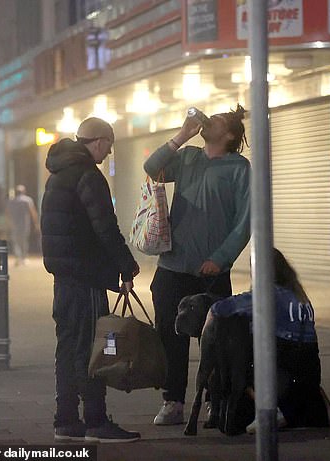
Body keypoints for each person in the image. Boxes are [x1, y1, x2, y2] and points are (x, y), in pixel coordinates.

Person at [144, 104, 251, 425]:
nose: (207, 121)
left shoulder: (239, 169)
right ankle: (173, 400)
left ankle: (214, 400)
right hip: (173, 265)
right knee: (169, 334)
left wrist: (220, 258)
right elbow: (152, 167)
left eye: (216, 121)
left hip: (211, 272)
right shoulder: (188, 157)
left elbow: (245, 221)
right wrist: (182, 134)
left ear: (230, 134)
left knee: (216, 340)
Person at [41, 117, 141, 443]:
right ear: (97, 141)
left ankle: (66, 420)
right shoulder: (88, 175)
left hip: (64, 278)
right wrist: (126, 266)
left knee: (68, 348)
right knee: (94, 349)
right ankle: (96, 421)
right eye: (109, 146)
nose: (109, 153)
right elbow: (105, 228)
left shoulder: (57, 175)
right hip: (86, 279)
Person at [209, 248, 330, 432]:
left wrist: (209, 317)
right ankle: (315, 403)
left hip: (284, 368)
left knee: (242, 363)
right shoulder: (300, 296)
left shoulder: (269, 294)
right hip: (308, 372)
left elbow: (223, 307)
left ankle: (270, 412)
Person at [5, 184, 39, 266]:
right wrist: (36, 223)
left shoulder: (11, 202)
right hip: (25, 224)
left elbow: (7, 213)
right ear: (24, 192)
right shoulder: (28, 200)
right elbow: (33, 212)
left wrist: (9, 224)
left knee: (16, 241)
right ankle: (24, 258)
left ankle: (18, 257)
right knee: (24, 241)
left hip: (15, 224)